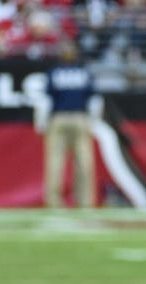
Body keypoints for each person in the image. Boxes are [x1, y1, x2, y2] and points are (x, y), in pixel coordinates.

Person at [36, 42, 98, 208]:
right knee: (84, 163)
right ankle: (85, 201)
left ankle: (54, 202)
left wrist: (41, 123)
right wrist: (93, 121)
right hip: (80, 118)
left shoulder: (54, 73)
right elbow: (94, 100)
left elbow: (45, 101)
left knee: (55, 162)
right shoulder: (84, 73)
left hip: (59, 118)